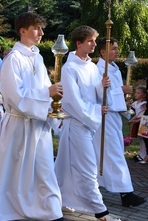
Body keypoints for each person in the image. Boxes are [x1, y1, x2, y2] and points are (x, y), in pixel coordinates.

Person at [0, 12, 64, 221]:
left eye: (41, 28)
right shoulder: (13, 59)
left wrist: (53, 104)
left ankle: (51, 212)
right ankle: (12, 213)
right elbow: (15, 95)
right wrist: (47, 93)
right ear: (23, 31)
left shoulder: (37, 57)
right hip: (19, 127)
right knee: (16, 176)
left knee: (44, 172)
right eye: (36, 29)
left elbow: (42, 88)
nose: (41, 33)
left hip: (38, 125)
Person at [54, 26, 120, 221]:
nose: (93, 44)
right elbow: (72, 101)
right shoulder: (69, 68)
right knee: (88, 167)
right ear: (79, 43)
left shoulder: (92, 66)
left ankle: (56, 199)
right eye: (90, 41)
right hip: (76, 123)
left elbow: (94, 94)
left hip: (88, 124)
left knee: (64, 166)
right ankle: (101, 212)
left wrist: (102, 86)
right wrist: (95, 111)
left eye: (94, 41)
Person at [93, 37, 146, 206]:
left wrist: (124, 100)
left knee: (106, 155)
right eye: (113, 48)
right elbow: (100, 95)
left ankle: (95, 187)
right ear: (103, 51)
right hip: (105, 117)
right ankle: (126, 193)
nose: (117, 51)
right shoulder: (98, 70)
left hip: (113, 117)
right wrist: (120, 91)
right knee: (114, 154)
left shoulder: (114, 68)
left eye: (117, 48)